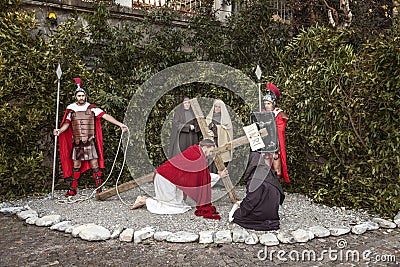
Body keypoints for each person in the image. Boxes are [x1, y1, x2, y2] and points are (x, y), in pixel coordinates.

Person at [53, 78, 128, 197]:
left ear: (85, 96)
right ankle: (73, 189)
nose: (81, 97)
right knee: (76, 165)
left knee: (95, 165)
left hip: (89, 141)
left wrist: (120, 124)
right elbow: (66, 124)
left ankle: (99, 188)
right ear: (75, 97)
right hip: (77, 142)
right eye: (79, 95)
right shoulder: (71, 110)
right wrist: (59, 131)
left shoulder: (92, 108)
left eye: (83, 95)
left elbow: (105, 116)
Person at [131, 139, 228, 220]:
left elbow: (201, 176)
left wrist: (218, 176)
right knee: (173, 207)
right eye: (211, 151)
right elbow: (203, 178)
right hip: (165, 179)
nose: (211, 154)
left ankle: (147, 200)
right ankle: (144, 201)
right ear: (205, 147)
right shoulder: (196, 155)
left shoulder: (195, 151)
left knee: (180, 205)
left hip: (170, 179)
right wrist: (219, 176)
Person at [229, 151, 285, 231]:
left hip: (262, 214)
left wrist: (241, 210)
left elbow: (251, 201)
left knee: (237, 215)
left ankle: (262, 222)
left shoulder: (255, 179)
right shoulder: (269, 172)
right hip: (273, 213)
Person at [262, 83, 290, 183]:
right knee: (266, 166)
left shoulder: (278, 113)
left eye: (268, 103)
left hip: (275, 143)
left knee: (276, 166)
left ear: (273, 103)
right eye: (265, 103)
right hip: (265, 143)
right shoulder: (263, 113)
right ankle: (268, 185)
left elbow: (282, 124)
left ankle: (277, 186)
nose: (266, 105)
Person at [205, 99, 233, 173]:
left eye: (219, 107)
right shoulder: (209, 117)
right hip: (212, 143)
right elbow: (206, 128)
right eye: (215, 106)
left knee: (221, 162)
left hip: (221, 142)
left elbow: (227, 130)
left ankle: (220, 182)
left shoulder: (225, 118)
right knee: (211, 162)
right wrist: (210, 129)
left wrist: (217, 128)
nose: (217, 108)